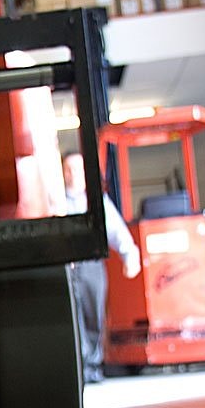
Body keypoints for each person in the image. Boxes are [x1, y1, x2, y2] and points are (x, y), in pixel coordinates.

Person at [62, 150, 141, 383]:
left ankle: (93, 365)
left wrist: (130, 254)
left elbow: (115, 230)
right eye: (69, 169)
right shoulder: (55, 201)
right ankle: (80, 368)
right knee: (71, 317)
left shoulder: (96, 202)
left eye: (78, 169)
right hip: (67, 267)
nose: (73, 174)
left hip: (91, 266)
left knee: (93, 313)